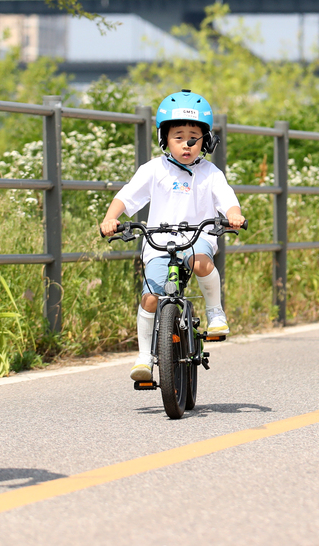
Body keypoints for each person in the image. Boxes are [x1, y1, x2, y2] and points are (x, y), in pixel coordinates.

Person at [99, 89, 246, 382]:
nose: (186, 144)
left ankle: (215, 312)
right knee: (151, 299)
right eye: (178, 136)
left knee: (202, 263)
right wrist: (110, 218)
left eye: (194, 136)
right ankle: (144, 357)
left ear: (206, 140)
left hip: (197, 237)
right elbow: (127, 197)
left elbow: (227, 199)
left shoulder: (210, 173)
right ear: (164, 138)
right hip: (158, 243)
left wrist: (233, 215)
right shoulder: (153, 170)